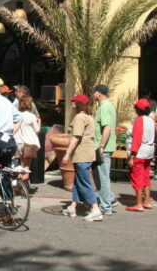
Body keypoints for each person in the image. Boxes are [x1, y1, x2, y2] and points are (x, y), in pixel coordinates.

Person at [60, 93, 102, 221]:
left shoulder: (79, 117)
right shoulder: (88, 116)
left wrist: (67, 154)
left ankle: (95, 209)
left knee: (84, 182)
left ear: (79, 104)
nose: (72, 103)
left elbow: (76, 137)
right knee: (78, 181)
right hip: (87, 153)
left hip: (82, 153)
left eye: (74, 101)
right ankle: (73, 207)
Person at [91, 84, 117, 215]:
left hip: (103, 149)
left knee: (102, 177)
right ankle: (109, 198)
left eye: (93, 92)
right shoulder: (105, 106)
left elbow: (107, 127)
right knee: (100, 176)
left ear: (99, 93)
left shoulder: (105, 107)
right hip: (103, 147)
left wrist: (101, 145)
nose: (92, 94)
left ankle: (106, 206)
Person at [126, 99, 156, 213]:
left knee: (137, 176)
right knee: (145, 176)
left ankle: (139, 203)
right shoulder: (151, 120)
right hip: (149, 150)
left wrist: (132, 156)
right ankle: (147, 201)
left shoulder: (139, 120)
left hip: (140, 152)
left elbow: (137, 139)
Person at [13, 96, 40, 184]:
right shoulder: (31, 116)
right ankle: (24, 188)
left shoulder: (17, 115)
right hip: (29, 143)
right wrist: (39, 122)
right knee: (27, 166)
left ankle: (18, 185)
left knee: (22, 164)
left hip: (19, 143)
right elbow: (37, 130)